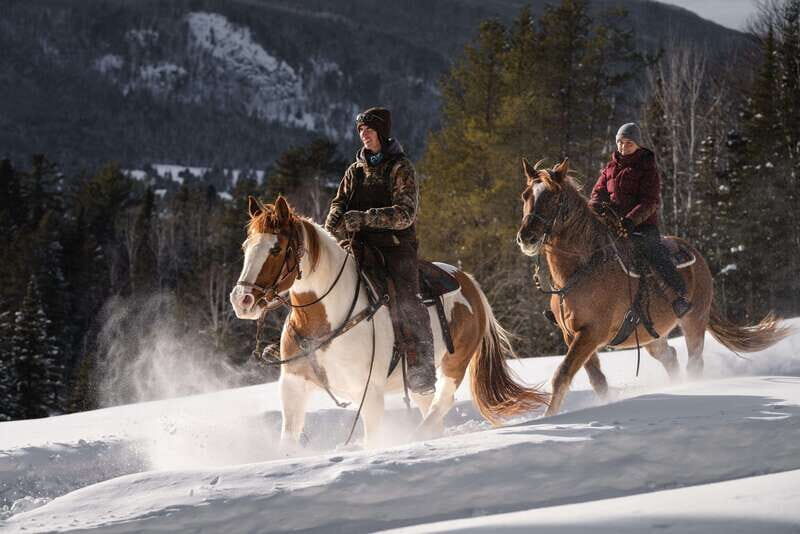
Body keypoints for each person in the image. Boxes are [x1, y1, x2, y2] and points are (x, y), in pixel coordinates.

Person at [324, 107, 436, 394]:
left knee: (408, 303)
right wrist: (333, 219)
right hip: (359, 246)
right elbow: (340, 201)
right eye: (361, 131)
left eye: (369, 130)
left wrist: (363, 218)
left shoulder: (400, 167)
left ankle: (422, 369)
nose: (364, 135)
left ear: (382, 133)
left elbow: (405, 214)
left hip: (395, 248)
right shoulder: (354, 171)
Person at [589, 122, 692, 318]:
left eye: (628, 143)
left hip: (642, 226)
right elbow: (597, 193)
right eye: (620, 142)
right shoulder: (609, 167)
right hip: (613, 225)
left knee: (652, 252)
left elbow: (650, 201)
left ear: (637, 144)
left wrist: (630, 220)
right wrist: (595, 207)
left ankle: (678, 296)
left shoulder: (647, 167)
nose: (623, 147)